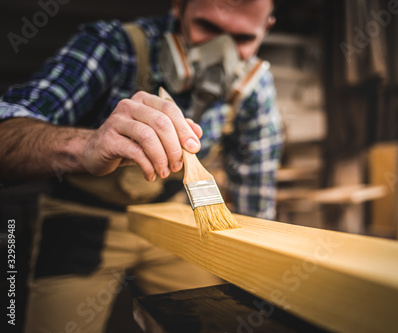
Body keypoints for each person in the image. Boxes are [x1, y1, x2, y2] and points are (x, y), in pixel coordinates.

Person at [0, 0, 282, 332]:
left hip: (174, 224)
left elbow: (256, 193)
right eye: (208, 27)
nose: (223, 51)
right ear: (178, 8)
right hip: (83, 224)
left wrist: (257, 276)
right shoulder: (113, 47)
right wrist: (85, 146)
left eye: (243, 38)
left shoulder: (253, 86)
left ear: (266, 29)